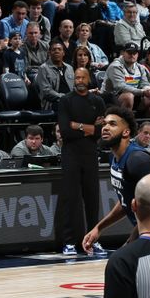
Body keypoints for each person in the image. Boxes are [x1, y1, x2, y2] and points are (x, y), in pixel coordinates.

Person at [83, 106, 150, 254]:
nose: (105, 128)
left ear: (126, 132)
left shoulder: (138, 160)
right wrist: (99, 228)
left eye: (112, 124)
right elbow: (126, 200)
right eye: (105, 123)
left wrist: (129, 244)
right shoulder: (116, 157)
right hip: (145, 236)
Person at [57, 68, 106, 256]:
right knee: (71, 199)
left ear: (89, 79)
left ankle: (94, 240)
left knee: (93, 199)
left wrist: (77, 125)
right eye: (76, 77)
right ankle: (69, 242)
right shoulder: (65, 100)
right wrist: (90, 128)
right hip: (71, 155)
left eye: (83, 77)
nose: (79, 80)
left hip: (91, 155)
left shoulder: (97, 101)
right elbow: (65, 130)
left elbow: (101, 132)